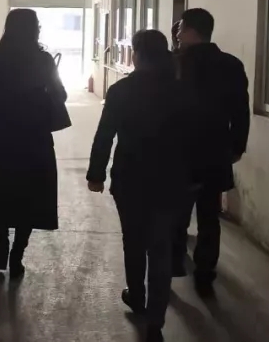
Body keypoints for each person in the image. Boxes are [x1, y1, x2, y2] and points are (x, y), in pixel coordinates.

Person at [87, 30, 198, 342]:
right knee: (160, 247)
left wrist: (96, 174)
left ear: (136, 54)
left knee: (133, 240)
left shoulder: (122, 90)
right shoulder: (182, 90)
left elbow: (105, 134)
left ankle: (137, 295)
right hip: (171, 180)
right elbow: (196, 138)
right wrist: (196, 175)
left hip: (130, 178)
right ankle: (155, 321)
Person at [0, 8, 66, 279]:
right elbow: (61, 94)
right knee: (30, 196)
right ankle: (17, 255)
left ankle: (2, 247)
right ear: (33, 29)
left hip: (2, 136)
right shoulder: (43, 60)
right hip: (35, 137)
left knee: (2, 191)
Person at [171, 8, 250, 297]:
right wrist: (237, 146)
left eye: (181, 28)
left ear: (192, 31)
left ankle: (173, 262)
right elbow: (240, 111)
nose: (178, 35)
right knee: (209, 214)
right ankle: (205, 273)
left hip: (178, 150)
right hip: (215, 150)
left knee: (176, 210)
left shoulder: (175, 64)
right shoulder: (231, 64)